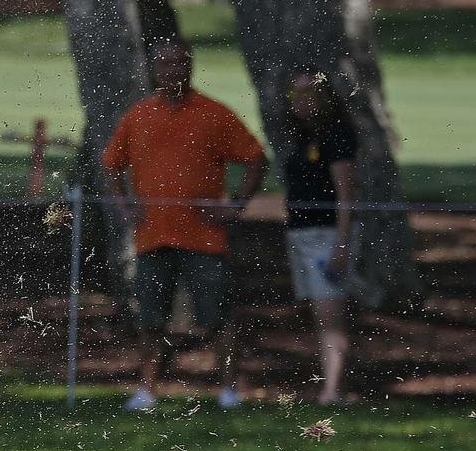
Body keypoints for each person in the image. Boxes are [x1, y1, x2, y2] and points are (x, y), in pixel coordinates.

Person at [101, 38, 269, 413]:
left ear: (191, 66)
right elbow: (111, 164)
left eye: (180, 62)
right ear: (155, 69)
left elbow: (257, 159)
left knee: (217, 317)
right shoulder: (139, 115)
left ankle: (229, 390)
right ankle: (146, 390)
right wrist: (126, 207)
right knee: (151, 318)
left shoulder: (215, 114)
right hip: (153, 236)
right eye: (165, 63)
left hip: (204, 238)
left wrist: (236, 206)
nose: (173, 70)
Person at [280, 73, 357, 403]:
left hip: (326, 236)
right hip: (300, 233)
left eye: (309, 93)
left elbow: (346, 196)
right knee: (317, 313)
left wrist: (341, 244)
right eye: (294, 94)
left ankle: (331, 391)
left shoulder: (337, 135)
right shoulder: (302, 136)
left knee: (330, 315)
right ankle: (331, 386)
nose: (301, 101)